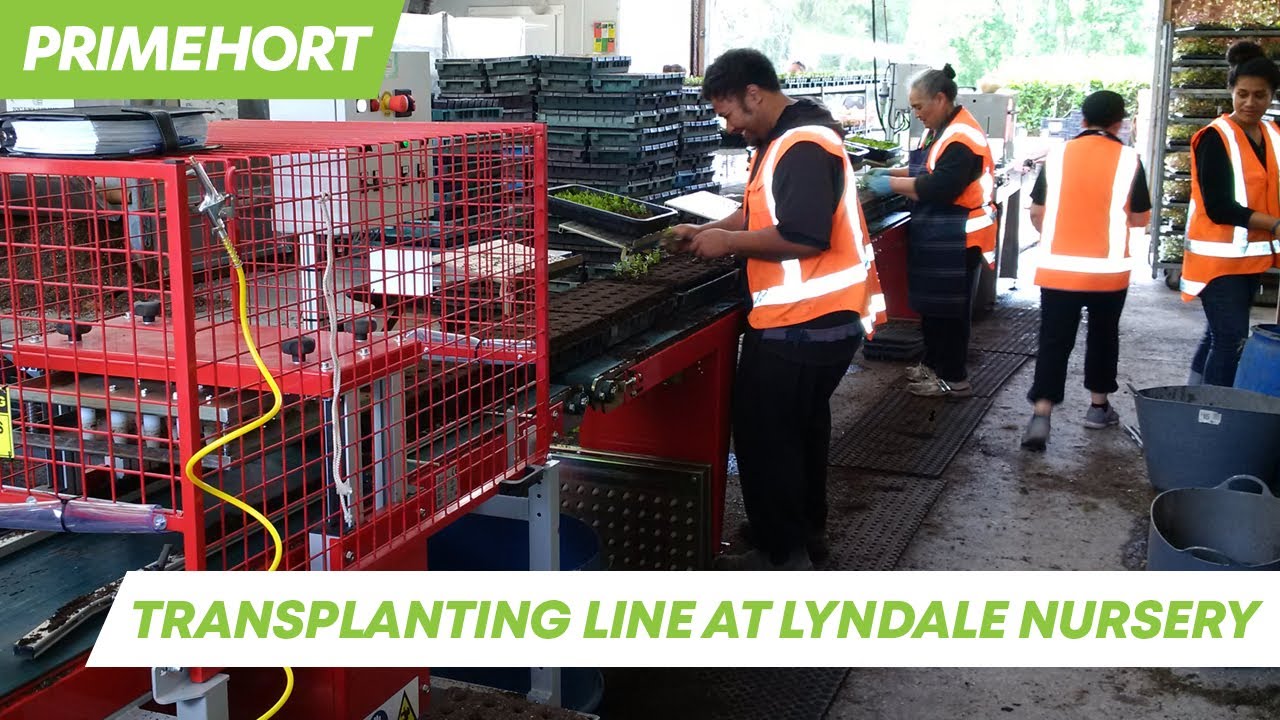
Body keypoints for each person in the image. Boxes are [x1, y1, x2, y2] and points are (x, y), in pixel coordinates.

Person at [669, 48, 885, 571]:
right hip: (817, 320)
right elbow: (762, 210)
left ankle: (780, 557)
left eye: (729, 113)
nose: (729, 126)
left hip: (804, 323)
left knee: (768, 438)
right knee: (802, 431)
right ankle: (804, 535)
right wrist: (710, 230)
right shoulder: (783, 138)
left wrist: (727, 247)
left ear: (753, 94)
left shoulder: (802, 145)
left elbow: (804, 235)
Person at [1020, 91, 1152, 451]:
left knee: (1054, 339)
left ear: (1082, 121)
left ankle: (1042, 413)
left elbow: (1036, 212)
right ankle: (1097, 408)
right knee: (1104, 336)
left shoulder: (1058, 155)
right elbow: (1140, 219)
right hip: (1108, 273)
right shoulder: (1129, 159)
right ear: (1119, 123)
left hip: (1058, 269)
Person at [866, 64, 996, 398]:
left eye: (919, 106)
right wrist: (880, 172)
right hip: (937, 233)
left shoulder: (962, 137)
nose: (915, 113)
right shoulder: (939, 129)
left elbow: (941, 186)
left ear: (940, 99)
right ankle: (934, 365)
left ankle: (954, 379)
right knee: (933, 309)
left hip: (958, 237)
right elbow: (921, 168)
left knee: (950, 312)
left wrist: (890, 184)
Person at [1182, 41, 1280, 386]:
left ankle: (1193, 399)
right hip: (1219, 260)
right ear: (1230, 91)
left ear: (1272, 96)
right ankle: (1212, 417)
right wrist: (1275, 225)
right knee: (1230, 340)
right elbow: (1219, 207)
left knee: (1217, 333)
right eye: (1242, 94)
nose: (1250, 103)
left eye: (1259, 95)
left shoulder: (1273, 134)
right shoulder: (1215, 137)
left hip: (1250, 258)